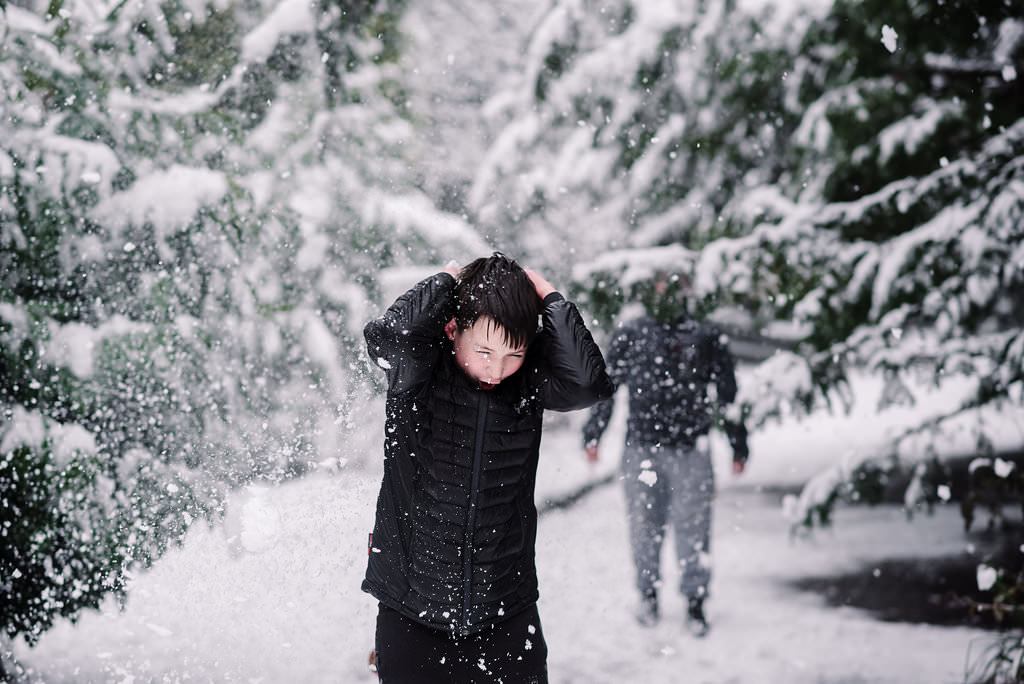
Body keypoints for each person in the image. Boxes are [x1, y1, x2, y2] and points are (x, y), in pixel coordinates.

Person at [363, 253, 614, 683]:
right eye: (483, 351)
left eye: (513, 353)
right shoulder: (418, 371)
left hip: (505, 611)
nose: (497, 369)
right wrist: (445, 280)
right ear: (451, 329)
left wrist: (552, 301)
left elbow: (588, 384)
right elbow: (390, 336)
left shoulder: (527, 386)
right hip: (411, 608)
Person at [581, 273, 748, 637]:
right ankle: (648, 595)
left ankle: (695, 602)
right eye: (658, 283)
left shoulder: (706, 335)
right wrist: (594, 432)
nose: (666, 290)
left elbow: (727, 393)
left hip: (692, 448)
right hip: (642, 449)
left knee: (694, 530)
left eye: (674, 283)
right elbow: (607, 386)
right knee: (644, 525)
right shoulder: (632, 332)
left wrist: (739, 443)